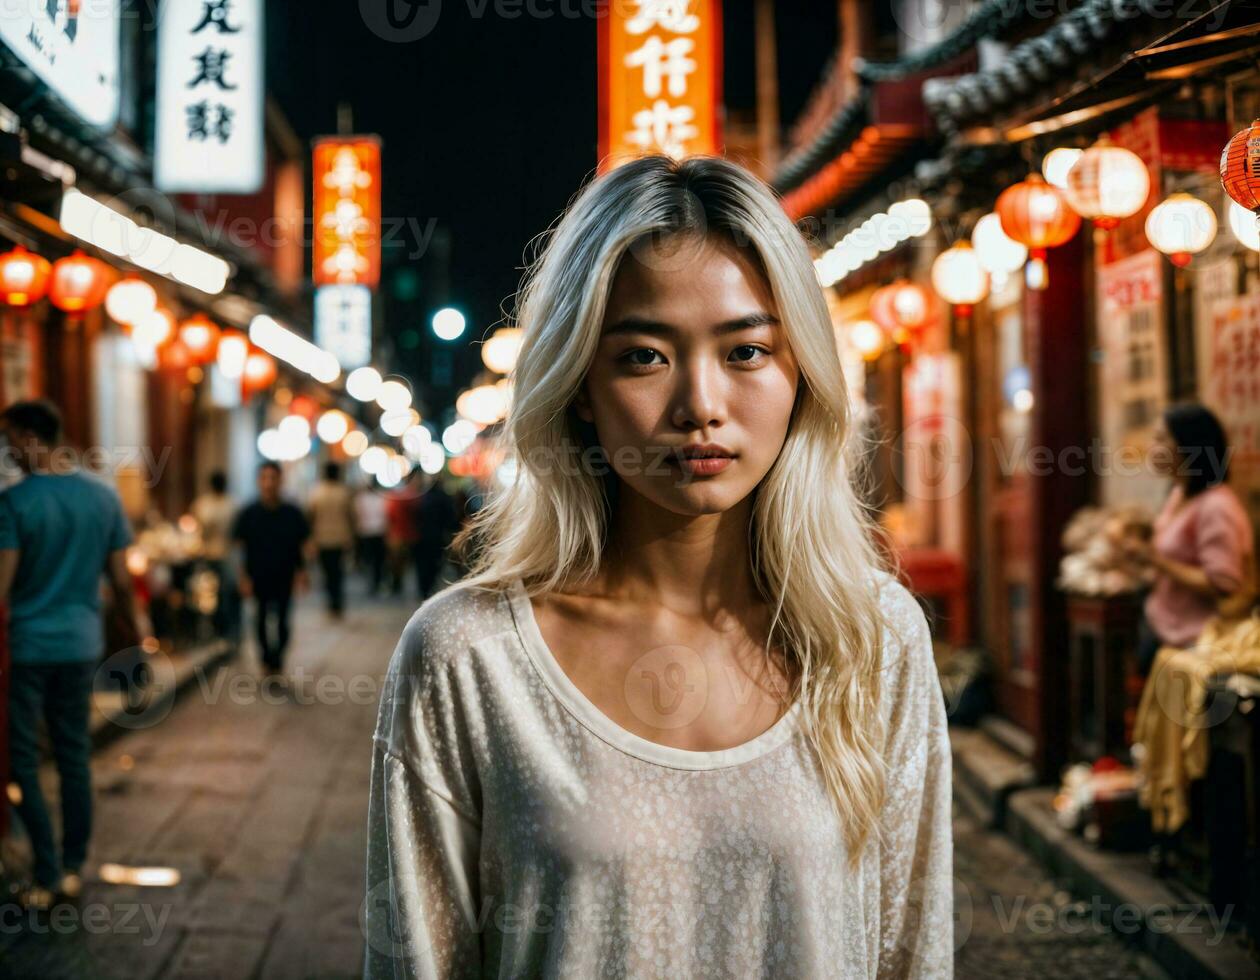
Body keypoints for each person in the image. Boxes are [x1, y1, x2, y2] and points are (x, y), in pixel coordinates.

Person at [365, 156, 952, 977]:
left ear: (802, 374)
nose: (700, 406)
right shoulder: (469, 655)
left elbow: (911, 953)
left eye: (746, 351)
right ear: (577, 383)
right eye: (644, 356)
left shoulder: (871, 637)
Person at [0, 400, 146, 910]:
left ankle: (45, 868)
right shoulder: (102, 498)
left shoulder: (16, 504)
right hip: (82, 644)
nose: (10, 451)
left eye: (12, 439)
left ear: (31, 436)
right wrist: (138, 630)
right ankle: (72, 867)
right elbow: (122, 581)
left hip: (29, 647)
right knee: (72, 754)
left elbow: (4, 586)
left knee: (22, 758)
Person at [1122, 403, 1255, 676]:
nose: (1152, 445)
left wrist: (1155, 560)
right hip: (1163, 628)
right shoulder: (1178, 493)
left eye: (1161, 438)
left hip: (1196, 645)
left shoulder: (1217, 506)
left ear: (1188, 446)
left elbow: (1224, 583)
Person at [232, 461, 310, 679]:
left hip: (284, 575)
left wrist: (303, 573)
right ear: (258, 481)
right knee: (260, 619)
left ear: (280, 481)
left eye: (273, 478)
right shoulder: (248, 513)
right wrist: (242, 577)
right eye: (264, 478)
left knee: (284, 621)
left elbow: (301, 546)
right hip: (257, 576)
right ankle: (266, 660)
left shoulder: (292, 512)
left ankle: (277, 658)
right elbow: (238, 548)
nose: (269, 483)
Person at [191, 470, 239, 642]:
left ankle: (226, 630)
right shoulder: (204, 504)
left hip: (225, 555)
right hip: (207, 554)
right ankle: (212, 630)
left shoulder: (231, 505)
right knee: (207, 594)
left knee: (226, 593)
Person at [307, 461, 356, 618]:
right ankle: (337, 602)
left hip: (322, 539)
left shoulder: (316, 492)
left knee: (327, 572)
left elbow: (310, 517)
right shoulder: (344, 492)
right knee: (338, 573)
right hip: (341, 538)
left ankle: (331, 602)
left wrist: (311, 539)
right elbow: (352, 517)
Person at [410, 474, 457, 600]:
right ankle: (428, 588)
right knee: (433, 564)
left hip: (421, 536)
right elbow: (451, 518)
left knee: (422, 565)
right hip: (436, 536)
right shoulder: (443, 498)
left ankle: (424, 589)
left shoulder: (421, 497)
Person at [354, 481, 388, 595]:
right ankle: (375, 581)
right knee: (377, 560)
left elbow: (357, 514)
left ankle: (373, 582)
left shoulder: (361, 499)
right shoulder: (381, 498)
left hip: (367, 532)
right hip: (377, 532)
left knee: (370, 559)